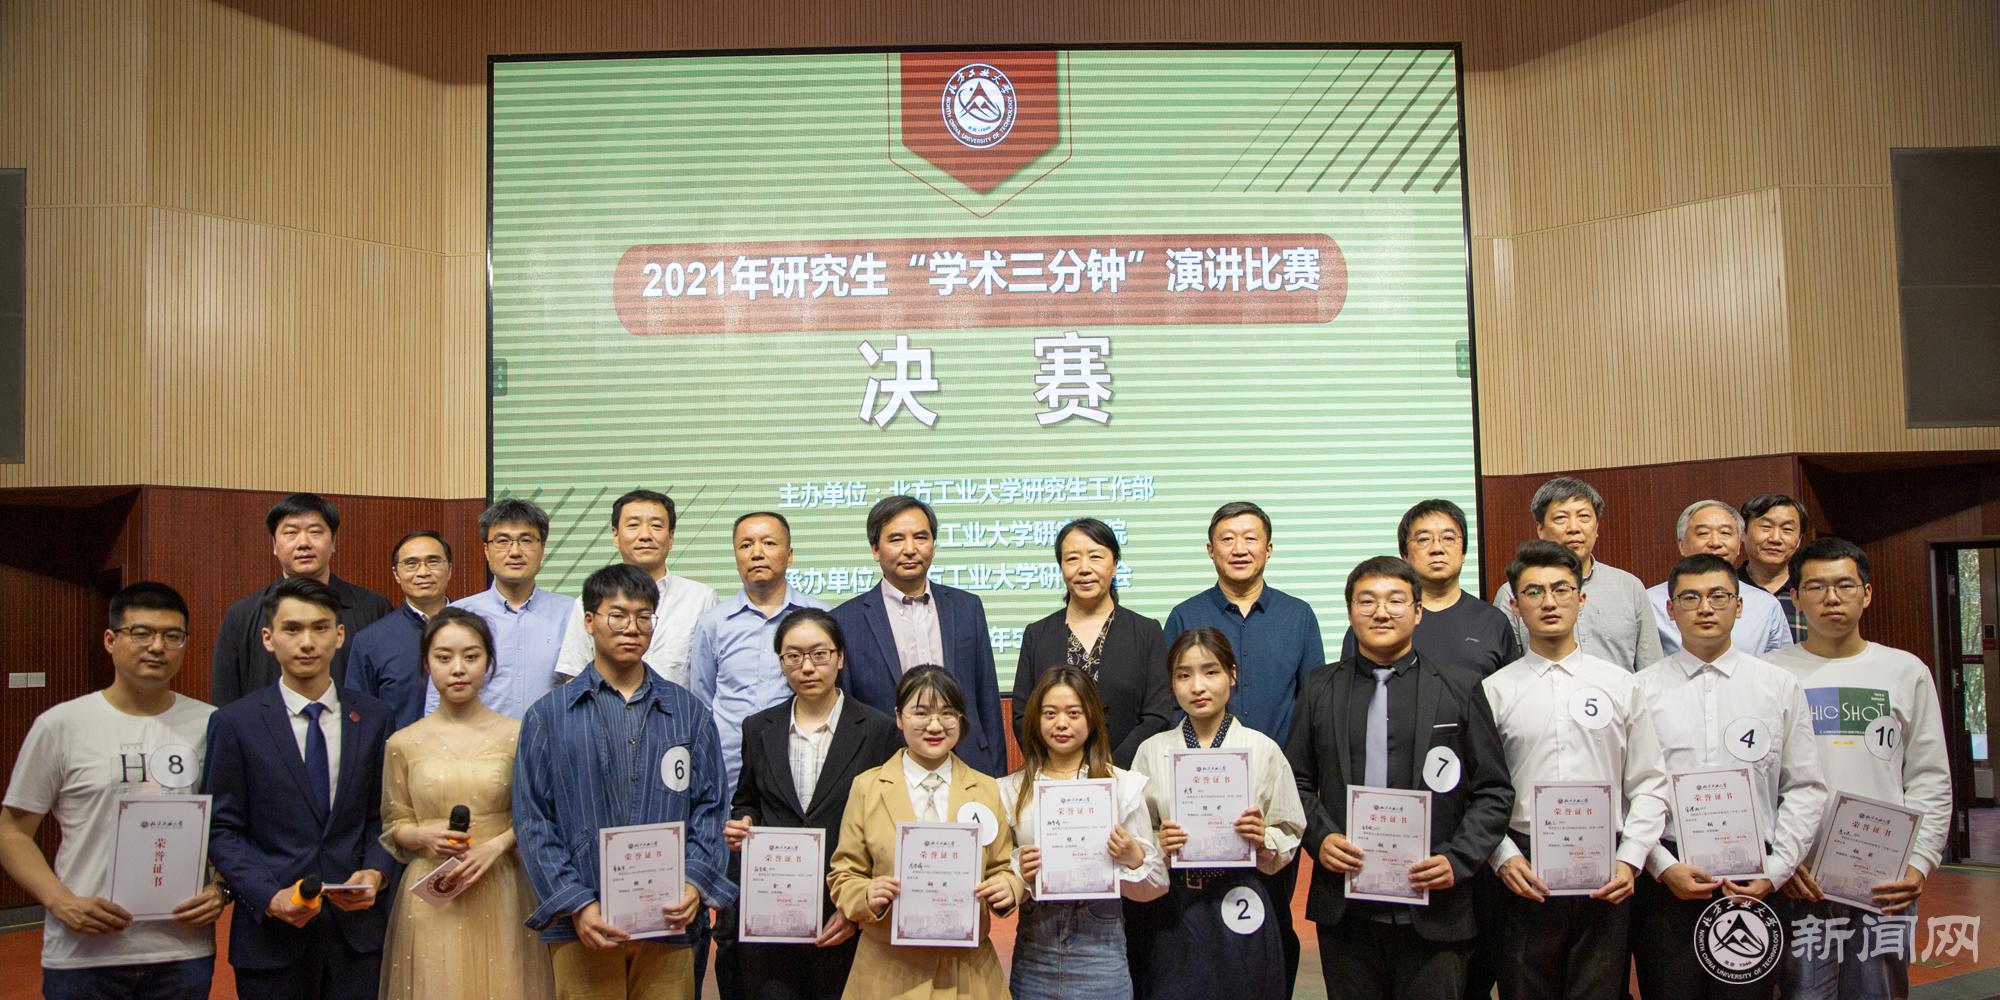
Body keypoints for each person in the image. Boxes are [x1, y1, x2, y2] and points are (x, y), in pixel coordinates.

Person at [1285, 557, 1513, 1000]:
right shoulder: (1319, 688)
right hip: (1346, 909)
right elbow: (1295, 781)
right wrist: (1321, 838)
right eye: (1367, 601)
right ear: (1350, 612)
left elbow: (1493, 791)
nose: (1381, 612)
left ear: (1418, 611)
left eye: (1395, 601)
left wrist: (1457, 859)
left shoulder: (1460, 687)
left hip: (1435, 905)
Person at [513, 563, 733, 1000]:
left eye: (643, 616)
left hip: (668, 922)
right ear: (589, 621)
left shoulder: (688, 712)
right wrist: (575, 902)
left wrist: (694, 882)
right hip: (583, 924)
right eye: (617, 615)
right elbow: (533, 819)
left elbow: (711, 808)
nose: (632, 628)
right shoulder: (548, 715)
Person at [0, 583, 224, 1000]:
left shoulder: (212, 725)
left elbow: (235, 826)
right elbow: (12, 832)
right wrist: (60, 902)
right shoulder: (62, 725)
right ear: (110, 639)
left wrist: (221, 889)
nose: (157, 646)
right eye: (141, 633)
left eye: (172, 636)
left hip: (182, 951)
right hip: (83, 952)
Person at [1632, 553, 1826, 1000]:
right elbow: (1630, 791)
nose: (1705, 608)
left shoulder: (1778, 685)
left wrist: (1776, 871)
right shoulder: (1640, 689)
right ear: (1670, 609)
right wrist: (1662, 867)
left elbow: (1804, 786)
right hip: (1669, 878)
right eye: (1690, 598)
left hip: (1756, 878)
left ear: (1739, 607)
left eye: (1718, 596)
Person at [1765, 538, 1951, 1000]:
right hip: (1799, 877)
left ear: (1866, 593)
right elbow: (1758, 781)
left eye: (1845, 585)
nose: (1832, 598)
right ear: (1796, 597)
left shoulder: (1904, 671)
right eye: (1816, 587)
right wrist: (1779, 860)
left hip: (1883, 879)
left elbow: (1928, 776)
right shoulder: (1769, 674)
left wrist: (1919, 863)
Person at [1485, 541, 1670, 1000]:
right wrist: (1504, 858)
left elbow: (1649, 781)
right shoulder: (1493, 691)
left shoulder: (1621, 685)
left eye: (1561, 589)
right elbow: (1480, 790)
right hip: (1524, 868)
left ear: (1581, 599)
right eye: (1534, 592)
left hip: (1607, 867)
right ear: (1515, 605)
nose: (1549, 602)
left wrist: (1631, 858)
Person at [202, 577, 399, 1000]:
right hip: (270, 936)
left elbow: (383, 815)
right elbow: (221, 828)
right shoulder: (235, 723)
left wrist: (377, 871)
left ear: (339, 635)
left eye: (320, 628)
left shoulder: (375, 717)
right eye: (292, 629)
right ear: (268, 638)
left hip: (357, 936)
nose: (307, 642)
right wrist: (267, 896)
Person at [1161, 501, 1322, 991]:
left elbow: (1311, 703)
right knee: (1197, 921)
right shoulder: (1186, 614)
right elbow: (1173, 704)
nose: (1239, 548)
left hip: (1272, 795)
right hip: (1198, 800)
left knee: (1273, 916)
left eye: (1250, 538)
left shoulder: (1298, 615)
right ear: (1210, 550)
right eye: (1227, 539)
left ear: (1269, 549)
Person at [376, 608, 553, 1000]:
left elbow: (537, 814)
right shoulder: (402, 742)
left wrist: (497, 845)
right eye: (444, 657)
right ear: (426, 664)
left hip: (502, 883)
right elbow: (394, 823)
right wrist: (421, 835)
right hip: (432, 888)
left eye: (471, 656)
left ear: (488, 662)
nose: (458, 669)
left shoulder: (519, 734)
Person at [723, 609, 900, 1000]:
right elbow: (747, 801)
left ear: (840, 657)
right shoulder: (759, 727)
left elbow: (887, 829)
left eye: (819, 654)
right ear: (781, 662)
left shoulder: (878, 731)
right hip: (773, 916)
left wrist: (856, 911)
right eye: (793, 656)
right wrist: (742, 823)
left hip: (844, 915)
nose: (807, 667)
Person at [691, 512, 829, 1000]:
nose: (757, 552)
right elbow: (701, 702)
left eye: (769, 543)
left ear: (789, 554)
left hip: (802, 793)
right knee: (733, 922)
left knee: (806, 916)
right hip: (734, 795)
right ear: (735, 555)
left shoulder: (817, 618)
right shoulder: (713, 623)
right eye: (746, 544)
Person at [1127, 628, 1307, 1000]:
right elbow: (1138, 838)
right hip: (1175, 906)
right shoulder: (1151, 751)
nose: (1198, 686)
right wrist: (1160, 843)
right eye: (1183, 675)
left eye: (1211, 672)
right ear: (1172, 683)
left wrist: (1263, 839)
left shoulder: (1262, 749)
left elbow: (1289, 828)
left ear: (1232, 675)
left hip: (1243, 897)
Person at [826, 665, 1024, 1000]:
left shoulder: (986, 789)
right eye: (920, 712)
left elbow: (1003, 866)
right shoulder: (868, 787)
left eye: (947, 713)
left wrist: (1009, 886)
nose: (935, 725)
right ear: (899, 718)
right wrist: (866, 894)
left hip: (968, 971)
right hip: (887, 970)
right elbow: (843, 874)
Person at [1004, 666, 1167, 1000]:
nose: (1061, 723)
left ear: (1092, 718)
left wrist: (1133, 857)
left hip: (1101, 954)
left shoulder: (1122, 787)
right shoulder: (1009, 791)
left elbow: (1155, 886)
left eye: (1073, 713)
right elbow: (999, 882)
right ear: (1035, 719)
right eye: (1050, 713)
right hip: (1035, 954)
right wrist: (1019, 873)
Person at [832, 495, 1007, 776]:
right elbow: (848, 713)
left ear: (933, 546)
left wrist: (996, 774)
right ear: (875, 549)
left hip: (966, 762)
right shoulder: (845, 619)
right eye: (896, 539)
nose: (910, 549)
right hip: (883, 768)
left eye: (921, 537)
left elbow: (987, 698)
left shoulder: (967, 607)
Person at [1011, 518, 1173, 767]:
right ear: (1061, 567)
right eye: (1072, 559)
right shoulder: (1037, 634)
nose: (1084, 568)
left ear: (1114, 565)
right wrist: (1059, 767)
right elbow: (1023, 716)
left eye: (1095, 556)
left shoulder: (1146, 631)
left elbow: (1157, 715)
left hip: (1129, 774)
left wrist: (1110, 769)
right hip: (1056, 775)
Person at [212, 493, 393, 706]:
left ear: (333, 542)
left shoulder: (374, 609)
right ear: (274, 544)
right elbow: (226, 701)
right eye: (291, 532)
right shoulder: (242, 615)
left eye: (315, 532)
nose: (304, 543)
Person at [1492, 476, 1663, 672]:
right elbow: (1507, 673)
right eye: (1561, 518)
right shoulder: (1514, 592)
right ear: (1540, 529)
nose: (1573, 528)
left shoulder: (1629, 587)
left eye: (1583, 517)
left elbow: (1651, 671)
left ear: (1596, 527)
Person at [1339, 499, 1520, 677]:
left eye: (1448, 538)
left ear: (1463, 552)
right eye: (1424, 539)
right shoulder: (1376, 623)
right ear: (1404, 555)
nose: (1437, 548)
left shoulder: (1493, 621)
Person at [560, 489, 718, 687]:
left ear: (671, 537)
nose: (645, 535)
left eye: (656, 526)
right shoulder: (589, 601)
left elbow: (709, 681)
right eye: (633, 525)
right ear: (615, 535)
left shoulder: (701, 599)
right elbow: (574, 677)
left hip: (679, 707)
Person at [437, 498, 575, 720]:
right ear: (486, 550)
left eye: (526, 540)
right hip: (479, 741)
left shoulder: (571, 613)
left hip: (551, 741)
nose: (515, 552)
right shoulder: (458, 616)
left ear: (542, 548)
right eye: (503, 541)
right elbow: (439, 697)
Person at [1645, 500, 1791, 657]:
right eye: (1703, 533)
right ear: (1681, 545)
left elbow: (1780, 665)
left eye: (1725, 533)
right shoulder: (1650, 602)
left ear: (1739, 544)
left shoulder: (1765, 604)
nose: (1715, 543)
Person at [346, 530, 454, 730]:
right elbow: (359, 718)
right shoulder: (370, 640)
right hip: (399, 749)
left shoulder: (475, 629)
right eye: (411, 564)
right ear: (396, 574)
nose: (423, 572)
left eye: (433, 561)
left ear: (449, 569)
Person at [1739, 494, 1810, 644]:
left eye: (1787, 529)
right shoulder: (1727, 589)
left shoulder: (1810, 592)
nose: (1775, 538)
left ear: (1799, 540)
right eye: (1766, 527)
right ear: (1743, 533)